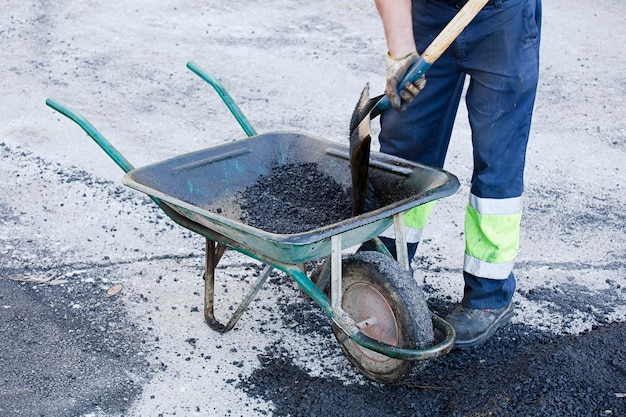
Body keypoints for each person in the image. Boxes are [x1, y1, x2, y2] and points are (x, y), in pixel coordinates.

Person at [370, 0, 542, 348]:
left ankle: (488, 295)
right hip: (430, 11)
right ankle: (384, 262)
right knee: (407, 146)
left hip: (503, 19)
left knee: (499, 155)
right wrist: (401, 50)